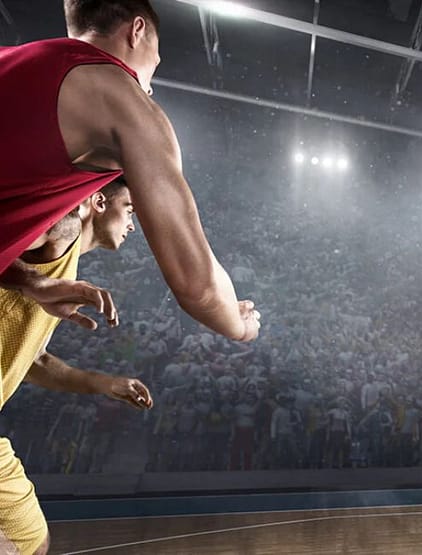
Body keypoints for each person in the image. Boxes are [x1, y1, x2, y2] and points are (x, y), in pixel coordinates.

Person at [0, 0, 259, 342]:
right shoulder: (126, 103)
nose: (150, 81)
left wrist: (35, 282)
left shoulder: (10, 58)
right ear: (137, 31)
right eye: (156, 60)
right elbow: (197, 286)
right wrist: (239, 327)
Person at [0, 178, 154, 554]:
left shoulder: (65, 272)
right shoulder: (65, 223)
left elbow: (35, 360)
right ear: (98, 202)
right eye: (130, 210)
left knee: (32, 542)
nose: (134, 224)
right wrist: (36, 282)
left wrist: (102, 384)